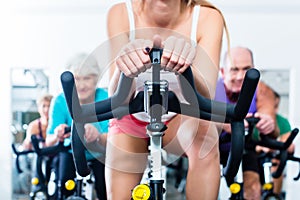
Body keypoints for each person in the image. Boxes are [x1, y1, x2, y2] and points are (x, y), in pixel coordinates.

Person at [106, 0, 228, 199]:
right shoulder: (121, 13)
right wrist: (124, 66)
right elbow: (117, 100)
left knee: (206, 141)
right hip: (131, 113)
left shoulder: (207, 18)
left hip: (181, 114)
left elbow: (206, 95)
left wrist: (184, 66)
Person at [216, 46, 279, 199]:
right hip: (214, 150)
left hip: (244, 150)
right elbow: (196, 120)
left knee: (253, 189)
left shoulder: (262, 90)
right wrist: (224, 124)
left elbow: (273, 127)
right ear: (223, 72)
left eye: (246, 69)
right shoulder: (211, 89)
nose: (240, 76)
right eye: (234, 69)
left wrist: (268, 124)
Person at [46, 53, 108, 199]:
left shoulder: (105, 97)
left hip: (100, 154)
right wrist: (57, 135)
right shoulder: (60, 101)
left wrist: (98, 136)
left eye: (87, 78)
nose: (81, 85)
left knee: (105, 189)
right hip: (70, 154)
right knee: (64, 186)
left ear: (96, 79)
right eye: (76, 79)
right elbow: (48, 141)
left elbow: (116, 138)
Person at [256, 90, 295, 197]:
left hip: (273, 158)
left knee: (276, 162)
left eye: (276, 105)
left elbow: (289, 145)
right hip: (254, 158)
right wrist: (262, 147)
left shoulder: (283, 122)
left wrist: (273, 147)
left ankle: (274, 195)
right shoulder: (256, 119)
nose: (275, 108)